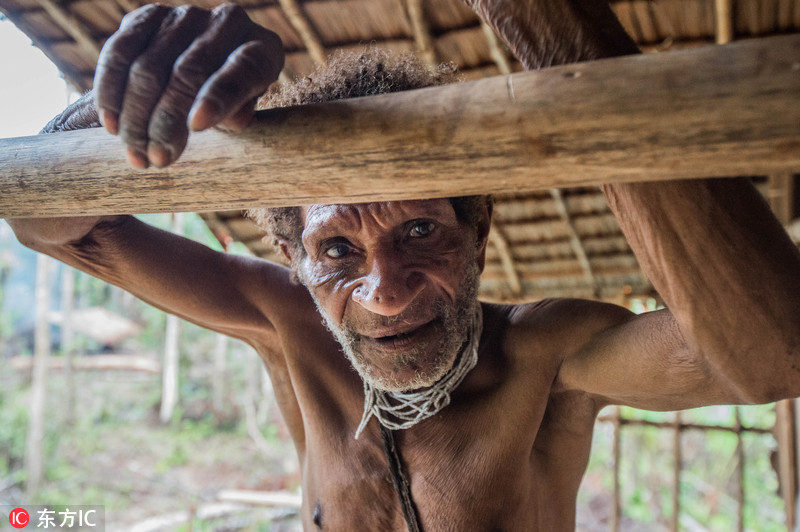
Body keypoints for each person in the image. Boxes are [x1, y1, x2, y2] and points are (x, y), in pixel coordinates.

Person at [9, 1, 800, 530]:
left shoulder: (547, 356)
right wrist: (137, 116)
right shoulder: (287, 322)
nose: (384, 294)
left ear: (478, 230)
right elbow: (45, 225)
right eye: (337, 251)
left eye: (420, 229)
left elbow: (772, 354)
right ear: (292, 256)